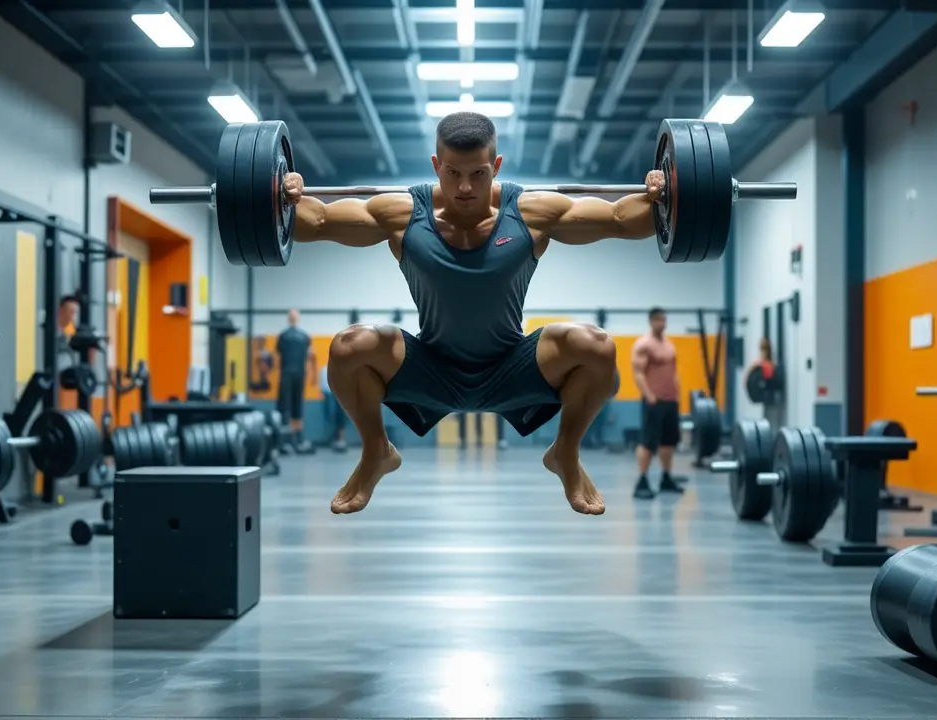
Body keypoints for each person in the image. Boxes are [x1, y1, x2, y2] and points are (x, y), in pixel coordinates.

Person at [283, 111, 667, 515]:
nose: (465, 187)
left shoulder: (531, 213)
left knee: (597, 346)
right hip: (430, 366)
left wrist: (659, 192)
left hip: (512, 366)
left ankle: (565, 454)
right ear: (436, 166)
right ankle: (375, 450)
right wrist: (287, 194)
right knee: (348, 346)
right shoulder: (402, 215)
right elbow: (318, 221)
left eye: (478, 174)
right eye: (452, 173)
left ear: (496, 167)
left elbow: (624, 220)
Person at [631, 307, 683, 499]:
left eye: (665, 319)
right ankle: (642, 481)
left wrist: (677, 393)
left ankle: (666, 478)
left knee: (668, 442)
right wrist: (649, 395)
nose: (663, 323)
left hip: (671, 400)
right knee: (648, 442)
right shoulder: (644, 344)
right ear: (651, 321)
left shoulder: (669, 345)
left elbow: (673, 371)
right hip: (654, 401)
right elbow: (638, 373)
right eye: (660, 320)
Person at [275, 309, 316, 453]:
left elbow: (311, 357)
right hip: (290, 375)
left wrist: (312, 376)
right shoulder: (286, 336)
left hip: (295, 375)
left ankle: (296, 439)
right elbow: (278, 358)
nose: (292, 319)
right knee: (287, 408)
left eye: (294, 316)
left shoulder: (302, 337)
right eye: (292, 317)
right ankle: (287, 440)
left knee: (294, 407)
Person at [318, 363, 347, 453]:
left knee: (340, 406)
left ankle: (339, 437)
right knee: (335, 405)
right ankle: (337, 437)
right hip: (331, 395)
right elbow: (324, 388)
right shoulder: (324, 370)